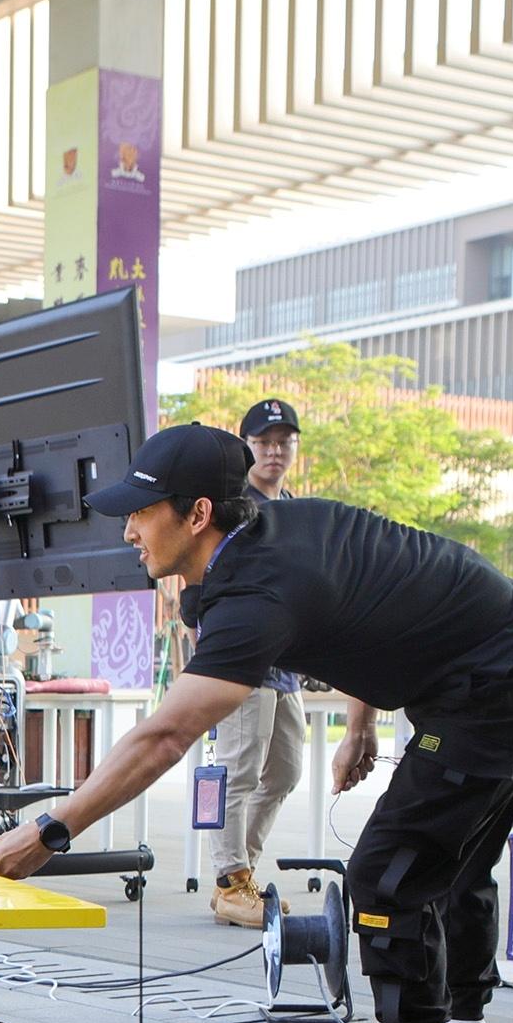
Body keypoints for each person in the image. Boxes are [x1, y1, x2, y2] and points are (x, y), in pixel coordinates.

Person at [0, 423, 513, 1023]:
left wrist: (51, 830)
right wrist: (360, 723)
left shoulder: (260, 591)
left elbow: (167, 733)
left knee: (391, 872)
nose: (128, 530)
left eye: (140, 512)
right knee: (451, 861)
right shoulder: (269, 537)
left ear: (197, 514)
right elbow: (380, 608)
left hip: (501, 680)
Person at [204, 397, 312, 928]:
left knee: (287, 771)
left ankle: (239, 870)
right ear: (247, 446)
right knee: (237, 770)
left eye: (283, 441)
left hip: (288, 662)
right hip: (243, 658)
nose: (274, 450)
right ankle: (230, 879)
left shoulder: (294, 507)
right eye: (264, 441)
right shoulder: (230, 506)